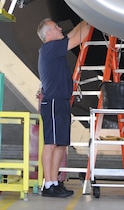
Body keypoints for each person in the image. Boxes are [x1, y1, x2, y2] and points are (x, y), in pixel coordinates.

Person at [37, 18, 92, 197]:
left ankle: (56, 182)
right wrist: (90, 17)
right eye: (55, 27)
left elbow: (75, 34)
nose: (59, 28)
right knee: (51, 143)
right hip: (53, 102)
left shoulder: (55, 48)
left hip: (61, 101)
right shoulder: (50, 48)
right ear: (48, 34)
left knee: (61, 144)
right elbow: (79, 37)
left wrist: (86, 19)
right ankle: (49, 184)